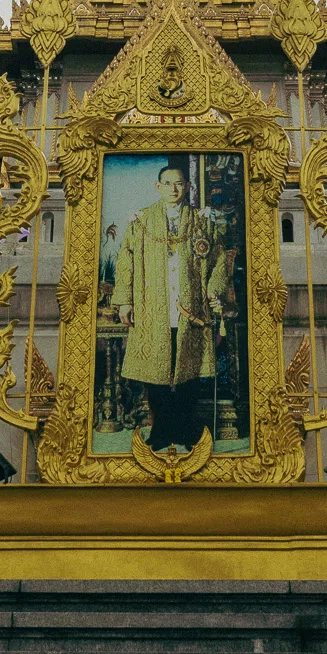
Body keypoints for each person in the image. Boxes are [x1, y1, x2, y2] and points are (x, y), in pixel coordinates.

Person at [108, 161, 223, 450]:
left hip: (192, 310)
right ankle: (161, 431)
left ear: (188, 187)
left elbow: (220, 259)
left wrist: (214, 291)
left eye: (180, 183)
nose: (174, 188)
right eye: (168, 183)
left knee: (189, 372)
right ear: (158, 187)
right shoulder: (141, 221)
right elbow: (126, 263)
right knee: (155, 374)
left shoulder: (202, 221)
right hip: (152, 308)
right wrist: (124, 301)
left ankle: (184, 430)